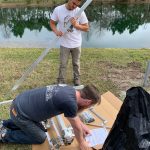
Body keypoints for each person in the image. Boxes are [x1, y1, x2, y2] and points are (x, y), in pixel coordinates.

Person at [0, 84, 100, 150]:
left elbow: (74, 117)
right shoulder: (70, 103)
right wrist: (82, 143)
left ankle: (4, 123)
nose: (88, 107)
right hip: (20, 114)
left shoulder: (70, 90)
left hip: (19, 104)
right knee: (40, 137)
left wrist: (83, 126)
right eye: (90, 106)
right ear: (88, 102)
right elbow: (76, 127)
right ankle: (4, 135)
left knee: (41, 129)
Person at [50, 0, 89, 86]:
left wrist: (76, 25)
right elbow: (52, 23)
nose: (75, 6)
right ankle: (61, 81)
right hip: (64, 44)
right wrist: (56, 31)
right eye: (73, 3)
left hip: (76, 43)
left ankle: (77, 79)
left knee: (76, 64)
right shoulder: (58, 10)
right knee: (63, 64)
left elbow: (86, 28)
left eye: (77, 4)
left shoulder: (80, 11)